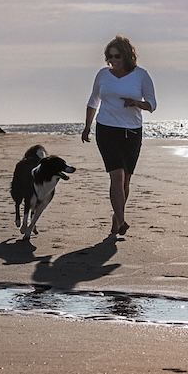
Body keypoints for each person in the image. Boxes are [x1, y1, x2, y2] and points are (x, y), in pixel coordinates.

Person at [82, 35, 157, 237]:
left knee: (125, 181)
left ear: (127, 56)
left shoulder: (141, 75)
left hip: (132, 131)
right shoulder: (103, 75)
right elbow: (93, 101)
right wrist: (87, 126)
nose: (113, 61)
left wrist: (136, 103)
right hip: (106, 129)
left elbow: (152, 104)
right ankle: (123, 221)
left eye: (117, 57)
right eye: (110, 57)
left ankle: (117, 217)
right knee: (116, 176)